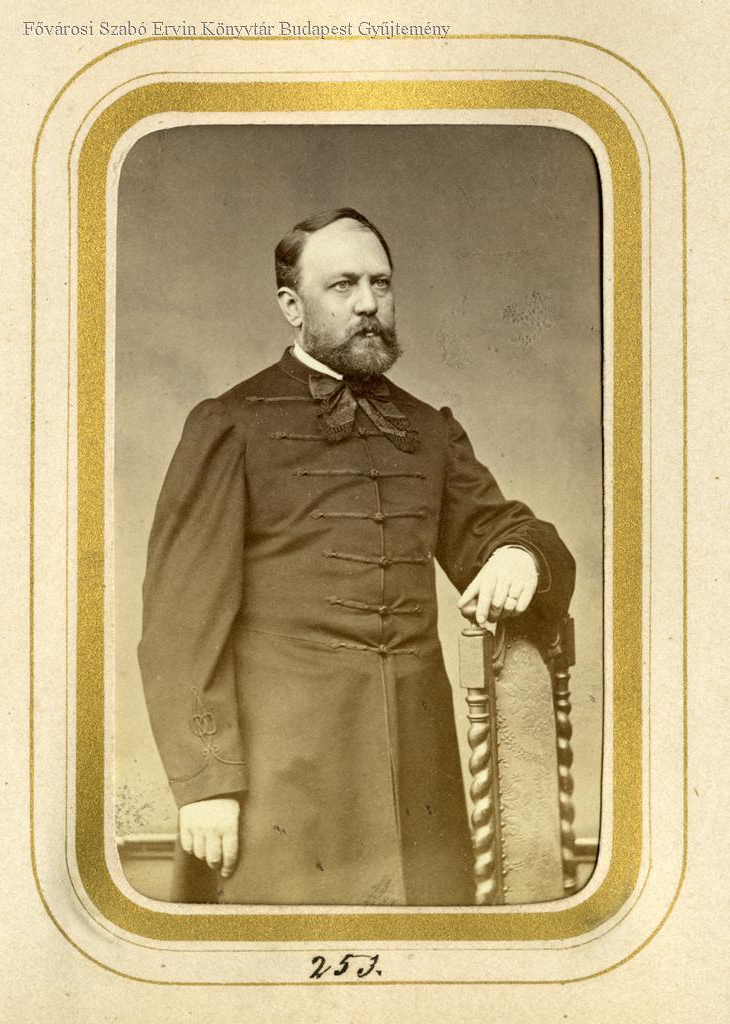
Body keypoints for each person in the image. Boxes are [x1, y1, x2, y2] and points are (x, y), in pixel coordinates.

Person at [138, 207, 575, 906]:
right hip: (281, 784)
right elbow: (179, 625)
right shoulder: (231, 424)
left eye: (381, 283)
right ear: (292, 305)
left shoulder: (428, 430)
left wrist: (519, 556)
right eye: (342, 285)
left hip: (419, 779)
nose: (368, 303)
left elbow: (505, 529)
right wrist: (206, 784)